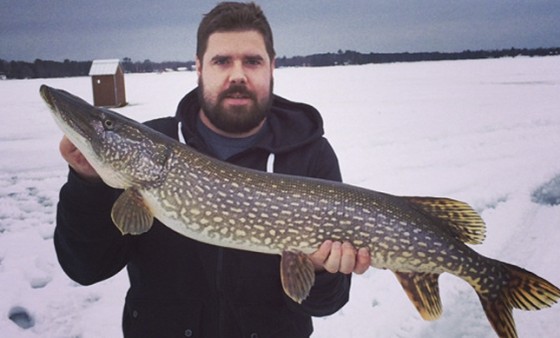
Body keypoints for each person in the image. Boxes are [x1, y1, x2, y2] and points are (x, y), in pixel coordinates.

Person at [54, 2, 371, 337]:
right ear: (199, 68)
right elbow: (85, 269)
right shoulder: (150, 148)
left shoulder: (310, 156)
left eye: (252, 61)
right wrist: (87, 184)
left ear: (272, 67)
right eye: (221, 61)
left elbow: (323, 304)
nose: (237, 74)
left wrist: (322, 271)